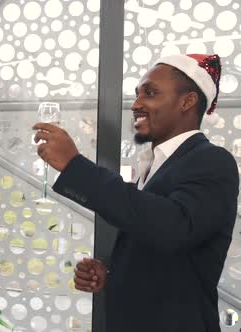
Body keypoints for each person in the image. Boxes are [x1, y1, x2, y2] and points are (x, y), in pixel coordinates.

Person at [33, 53, 239, 332]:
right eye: (137, 94)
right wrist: (112, 275)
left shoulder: (213, 161)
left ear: (187, 102)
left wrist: (75, 167)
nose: (136, 104)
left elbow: (173, 228)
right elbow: (153, 237)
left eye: (150, 93)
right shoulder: (156, 165)